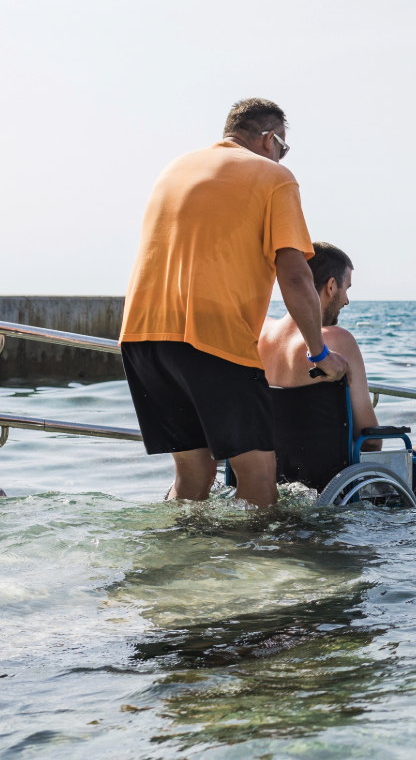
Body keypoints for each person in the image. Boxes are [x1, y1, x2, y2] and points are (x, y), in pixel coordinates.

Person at [119, 99, 349, 508]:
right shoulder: (274, 176)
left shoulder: (175, 168)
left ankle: (177, 564)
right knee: (258, 476)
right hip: (212, 339)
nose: (282, 156)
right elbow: (296, 276)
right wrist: (320, 353)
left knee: (193, 475)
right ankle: (257, 572)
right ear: (268, 139)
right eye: (284, 146)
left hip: (142, 339)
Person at [257, 243, 416, 501]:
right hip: (340, 485)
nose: (347, 301)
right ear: (331, 286)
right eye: (346, 289)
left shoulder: (262, 333)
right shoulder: (338, 341)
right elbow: (371, 442)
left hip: (272, 478)